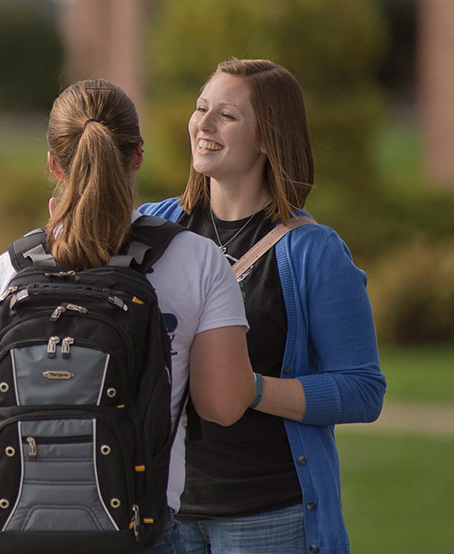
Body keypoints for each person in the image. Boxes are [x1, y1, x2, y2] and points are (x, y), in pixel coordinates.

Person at [0, 79, 257, 554]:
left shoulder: (9, 270)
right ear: (137, 157)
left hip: (10, 529)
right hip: (137, 528)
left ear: (54, 164)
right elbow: (221, 404)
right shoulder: (196, 260)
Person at [137, 58, 386, 554]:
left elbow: (363, 390)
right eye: (201, 108)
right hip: (157, 513)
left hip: (269, 518)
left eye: (226, 116)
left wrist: (248, 390)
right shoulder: (149, 229)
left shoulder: (315, 253)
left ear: (269, 138)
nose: (203, 125)